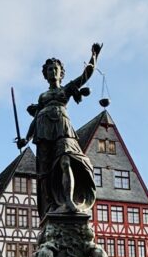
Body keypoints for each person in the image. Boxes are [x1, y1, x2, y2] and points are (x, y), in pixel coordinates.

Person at [18, 42, 102, 218]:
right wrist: (27, 138)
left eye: (56, 69)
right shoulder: (42, 97)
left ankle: (69, 200)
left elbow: (85, 76)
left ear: (61, 73)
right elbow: (35, 119)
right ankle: (51, 206)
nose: (53, 72)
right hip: (43, 130)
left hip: (62, 128)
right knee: (45, 171)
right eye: (50, 69)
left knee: (66, 161)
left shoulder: (67, 89)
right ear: (45, 74)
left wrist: (94, 57)